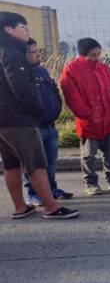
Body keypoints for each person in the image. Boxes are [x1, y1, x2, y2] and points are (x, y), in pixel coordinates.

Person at [0, 12, 78, 220]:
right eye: (22, 26)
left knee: (12, 164)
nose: (26, 30)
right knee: (36, 163)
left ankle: (20, 207)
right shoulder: (11, 54)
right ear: (8, 29)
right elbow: (22, 88)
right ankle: (51, 207)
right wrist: (37, 109)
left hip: (4, 121)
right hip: (19, 121)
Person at [61, 37, 110, 195]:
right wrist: (86, 114)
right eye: (93, 55)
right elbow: (71, 96)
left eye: (99, 54)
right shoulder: (72, 70)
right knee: (89, 154)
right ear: (82, 55)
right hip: (89, 120)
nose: (97, 57)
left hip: (108, 117)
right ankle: (90, 183)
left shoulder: (104, 68)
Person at [22, 38, 73, 206]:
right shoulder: (19, 74)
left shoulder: (42, 71)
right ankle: (32, 194)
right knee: (33, 164)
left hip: (51, 126)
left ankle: (51, 188)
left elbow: (54, 90)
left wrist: (57, 106)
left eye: (38, 50)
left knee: (50, 161)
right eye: (34, 51)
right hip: (34, 127)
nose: (39, 54)